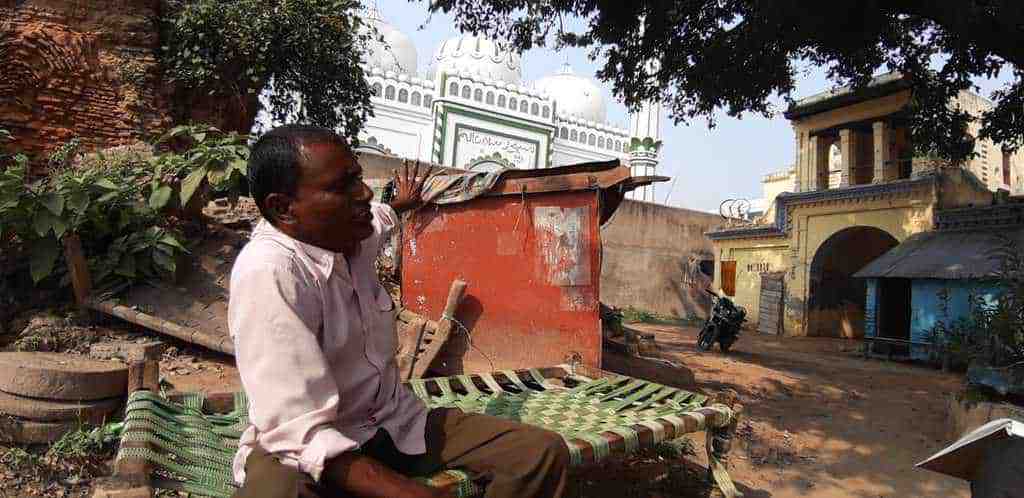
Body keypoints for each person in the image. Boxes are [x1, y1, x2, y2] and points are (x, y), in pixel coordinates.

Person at [228, 125, 569, 498]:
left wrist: (403, 202)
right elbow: (297, 431)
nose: (363, 194)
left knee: (538, 455)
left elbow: (383, 215)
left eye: (358, 177)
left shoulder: (352, 231)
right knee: (279, 492)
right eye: (342, 187)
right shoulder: (271, 272)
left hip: (392, 424)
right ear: (283, 208)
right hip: (304, 445)